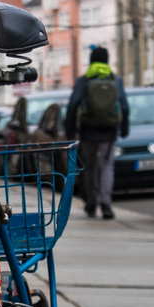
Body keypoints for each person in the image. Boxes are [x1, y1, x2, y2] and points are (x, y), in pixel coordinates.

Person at [64, 47, 130, 219]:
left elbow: (72, 106)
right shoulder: (115, 80)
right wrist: (124, 128)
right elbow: (124, 106)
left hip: (88, 130)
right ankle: (106, 203)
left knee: (91, 166)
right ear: (107, 60)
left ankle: (91, 202)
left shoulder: (84, 80)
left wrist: (69, 130)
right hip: (109, 131)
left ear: (92, 61)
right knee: (107, 166)